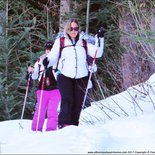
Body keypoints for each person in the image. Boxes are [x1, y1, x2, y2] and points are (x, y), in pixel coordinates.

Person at [43, 18, 104, 129]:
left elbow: (97, 53)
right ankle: (63, 124)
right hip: (64, 75)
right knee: (67, 99)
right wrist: (47, 60)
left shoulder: (83, 43)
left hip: (82, 76)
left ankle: (74, 126)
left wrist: (100, 39)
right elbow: (53, 56)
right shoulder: (60, 42)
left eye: (76, 28)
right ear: (67, 29)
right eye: (71, 28)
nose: (73, 31)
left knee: (78, 102)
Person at [28, 41, 61, 132]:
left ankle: (51, 130)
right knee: (40, 110)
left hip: (55, 89)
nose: (48, 51)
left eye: (50, 49)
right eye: (47, 49)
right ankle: (36, 129)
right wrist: (31, 71)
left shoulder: (58, 59)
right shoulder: (40, 59)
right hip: (42, 89)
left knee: (52, 111)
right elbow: (34, 76)